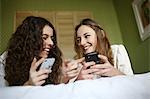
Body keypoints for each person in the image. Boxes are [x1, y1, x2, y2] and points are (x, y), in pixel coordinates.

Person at [64, 18, 133, 82]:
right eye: (78, 40)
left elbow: (132, 83)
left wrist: (115, 73)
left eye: (86, 36)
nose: (82, 43)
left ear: (100, 35)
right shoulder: (78, 64)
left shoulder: (117, 51)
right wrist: (78, 80)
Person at [3, 16, 64, 86]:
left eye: (52, 38)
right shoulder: (4, 60)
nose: (51, 43)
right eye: (44, 37)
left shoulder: (50, 60)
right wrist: (28, 84)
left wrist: (64, 78)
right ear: (30, 40)